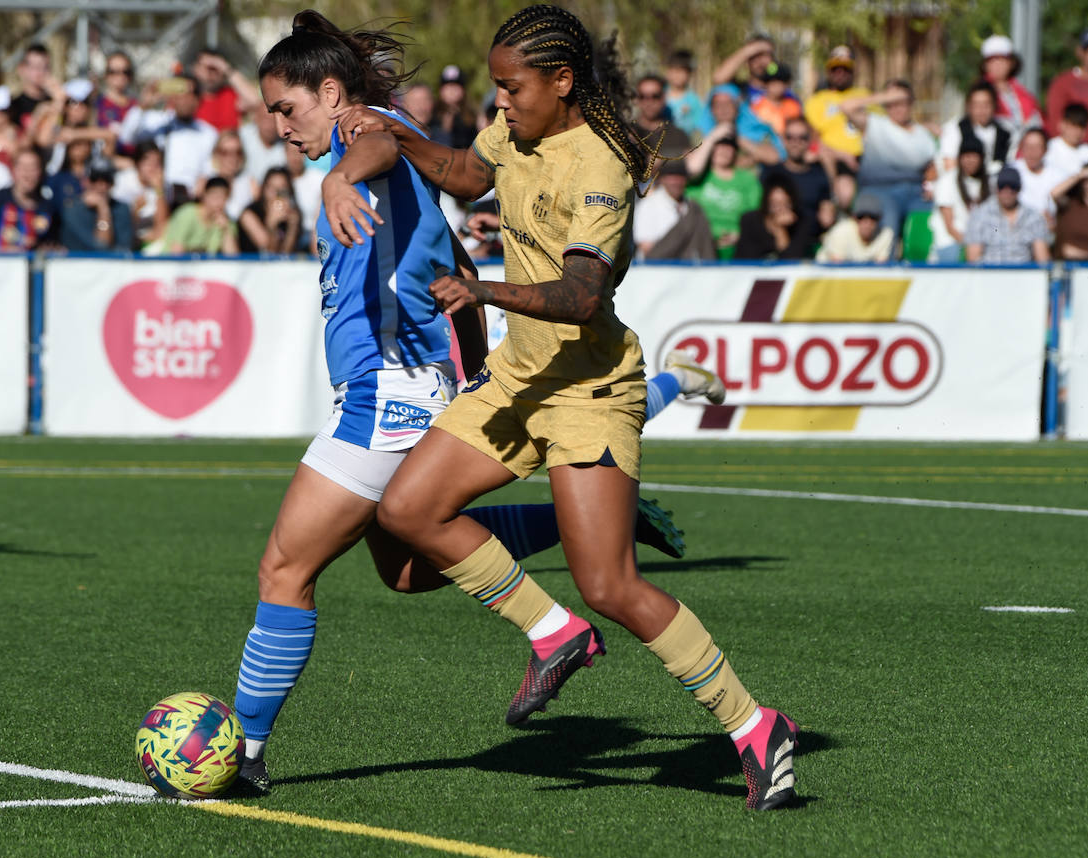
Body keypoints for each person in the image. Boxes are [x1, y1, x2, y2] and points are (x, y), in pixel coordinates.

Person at [229, 10, 714, 796]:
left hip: (390, 393)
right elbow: (445, 228)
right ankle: (578, 519)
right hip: (397, 386)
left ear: (328, 92)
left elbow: (380, 143)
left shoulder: (367, 131)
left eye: (287, 109)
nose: (279, 127)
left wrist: (338, 175)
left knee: (285, 566)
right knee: (409, 571)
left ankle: (242, 753)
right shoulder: (375, 140)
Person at [342, 3, 798, 811]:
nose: (502, 102)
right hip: (520, 376)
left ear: (562, 81)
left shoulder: (601, 166)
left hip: (588, 390)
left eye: (513, 87)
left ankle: (754, 724)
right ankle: (553, 635)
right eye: (496, 88)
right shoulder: (514, 130)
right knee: (405, 510)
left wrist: (483, 285)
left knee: (611, 586)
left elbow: (585, 295)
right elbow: (468, 173)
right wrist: (403, 141)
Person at [842, 79, 936, 244]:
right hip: (879, 190)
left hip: (916, 192)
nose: (897, 107)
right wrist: (883, 97)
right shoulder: (874, 124)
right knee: (887, 228)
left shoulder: (923, 134)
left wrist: (932, 184)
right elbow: (846, 107)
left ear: (911, 103)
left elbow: (932, 166)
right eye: (892, 103)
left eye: (903, 102)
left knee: (933, 221)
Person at [120, 74, 218, 205]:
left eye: (189, 94)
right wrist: (143, 105)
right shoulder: (159, 121)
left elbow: (211, 168)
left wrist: (204, 182)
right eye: (180, 93)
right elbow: (126, 137)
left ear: (197, 99)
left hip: (191, 199)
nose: (184, 99)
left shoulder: (208, 133)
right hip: (157, 195)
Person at [685, 129, 762, 258]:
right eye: (719, 146)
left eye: (729, 147)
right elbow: (691, 168)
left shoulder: (748, 179)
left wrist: (739, 235)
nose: (724, 151)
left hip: (739, 245)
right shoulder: (698, 177)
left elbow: (756, 214)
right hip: (702, 244)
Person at [0, 146, 57, 252]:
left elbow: (53, 246)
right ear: (13, 170)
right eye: (23, 168)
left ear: (40, 172)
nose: (28, 174)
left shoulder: (48, 207)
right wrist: (8, 252)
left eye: (33, 168)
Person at [761, 117, 836, 232]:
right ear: (783, 140)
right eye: (790, 137)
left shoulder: (819, 175)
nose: (796, 142)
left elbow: (827, 210)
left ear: (810, 141)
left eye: (802, 138)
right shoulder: (770, 173)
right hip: (775, 236)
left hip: (810, 238)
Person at [963, 166, 1050, 265]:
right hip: (989, 275)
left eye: (1013, 187)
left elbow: (1043, 261)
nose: (1007, 192)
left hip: (1023, 275)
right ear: (997, 189)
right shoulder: (980, 216)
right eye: (1002, 186)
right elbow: (973, 260)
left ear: (1019, 188)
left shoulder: (1033, 217)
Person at [804, 46, 870, 176]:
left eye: (845, 69)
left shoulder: (865, 95)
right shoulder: (816, 101)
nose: (840, 73)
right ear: (828, 71)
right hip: (831, 160)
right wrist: (841, 155)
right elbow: (813, 139)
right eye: (835, 69)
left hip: (865, 157)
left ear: (853, 71)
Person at [632, 158, 715, 260]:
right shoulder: (648, 205)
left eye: (681, 177)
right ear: (662, 179)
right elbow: (647, 248)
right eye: (672, 176)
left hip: (691, 270)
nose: (677, 181)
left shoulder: (694, 207)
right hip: (657, 269)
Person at [929, 137, 989, 262]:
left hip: (981, 243)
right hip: (950, 243)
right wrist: (971, 245)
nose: (971, 161)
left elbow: (994, 224)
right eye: (967, 156)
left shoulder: (989, 184)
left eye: (975, 156)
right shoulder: (948, 181)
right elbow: (950, 227)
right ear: (960, 158)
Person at [693, 83, 783, 165]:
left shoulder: (756, 130)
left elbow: (774, 157)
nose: (723, 109)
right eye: (718, 105)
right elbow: (690, 161)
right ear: (711, 110)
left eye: (728, 103)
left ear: (738, 108)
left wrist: (736, 138)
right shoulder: (699, 134)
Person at [733, 173, 817, 260]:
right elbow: (747, 259)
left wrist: (780, 230)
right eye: (775, 204)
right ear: (766, 202)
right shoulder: (750, 220)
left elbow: (792, 260)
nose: (781, 210)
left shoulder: (802, 221)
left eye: (786, 204)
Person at [58, 158, 133, 252]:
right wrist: (103, 209)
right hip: (77, 264)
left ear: (113, 183)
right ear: (85, 182)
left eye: (107, 180)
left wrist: (103, 208)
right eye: (95, 179)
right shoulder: (72, 210)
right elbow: (102, 245)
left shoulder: (121, 209)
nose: (101, 186)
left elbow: (124, 249)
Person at [937, 82, 1010, 175]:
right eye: (977, 105)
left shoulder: (1005, 131)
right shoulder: (955, 128)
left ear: (994, 105)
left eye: (986, 104)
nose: (981, 110)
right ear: (968, 106)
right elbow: (949, 164)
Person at [978, 35, 1042, 137]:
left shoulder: (1022, 93)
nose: (998, 64)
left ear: (1011, 63)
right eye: (993, 60)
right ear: (985, 65)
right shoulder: (979, 91)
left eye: (1002, 59)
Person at [158, 176, 239, 254]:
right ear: (205, 195)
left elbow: (232, 258)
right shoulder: (187, 214)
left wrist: (226, 230)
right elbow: (176, 251)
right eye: (215, 196)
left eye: (223, 197)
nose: (219, 202)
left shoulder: (226, 221)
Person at [237, 165, 303, 254]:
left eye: (282, 188)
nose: (276, 193)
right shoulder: (249, 214)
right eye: (271, 187)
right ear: (264, 189)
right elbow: (269, 254)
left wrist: (293, 228)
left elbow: (286, 255)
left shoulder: (292, 214)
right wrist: (271, 225)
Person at [815, 192, 894, 263]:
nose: (867, 223)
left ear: (879, 219)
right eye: (861, 217)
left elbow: (881, 268)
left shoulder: (885, 234)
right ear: (854, 218)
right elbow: (837, 269)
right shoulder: (841, 232)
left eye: (873, 218)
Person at [711, 35, 781, 106]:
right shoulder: (740, 90)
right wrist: (750, 49)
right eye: (755, 56)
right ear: (746, 61)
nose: (761, 61)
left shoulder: (782, 92)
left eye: (766, 55)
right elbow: (718, 79)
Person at [632, 73, 690, 155]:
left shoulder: (679, 136)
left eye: (655, 96)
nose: (649, 102)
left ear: (664, 98)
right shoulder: (627, 133)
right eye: (643, 96)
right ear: (637, 99)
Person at [1012, 129, 1060, 226]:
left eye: (1037, 147)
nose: (1032, 152)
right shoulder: (1011, 172)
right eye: (1028, 146)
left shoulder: (1058, 175)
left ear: (1045, 150)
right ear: (1021, 149)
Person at [430, 65, 480, 149]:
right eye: (447, 85)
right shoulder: (431, 112)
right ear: (440, 89)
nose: (451, 90)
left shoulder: (471, 115)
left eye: (456, 85)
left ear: (463, 90)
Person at [750, 62, 801, 140]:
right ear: (765, 84)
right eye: (772, 82)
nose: (776, 86)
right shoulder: (755, 105)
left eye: (781, 82)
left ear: (787, 84)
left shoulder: (794, 106)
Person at [1045, 102, 1088, 179]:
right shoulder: (1049, 148)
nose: (1077, 132)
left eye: (1082, 127)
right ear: (1062, 124)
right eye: (1074, 126)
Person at [662, 50, 702, 140]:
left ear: (690, 74)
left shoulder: (694, 101)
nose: (678, 75)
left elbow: (699, 128)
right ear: (668, 71)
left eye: (683, 71)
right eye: (675, 70)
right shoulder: (658, 95)